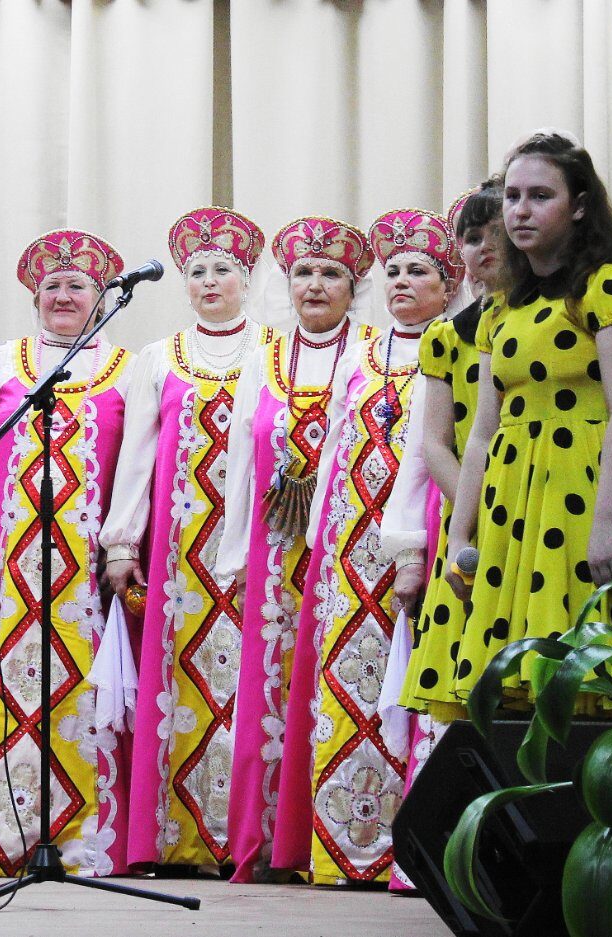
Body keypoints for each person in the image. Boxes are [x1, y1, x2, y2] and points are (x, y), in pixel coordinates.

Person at [275, 209, 461, 886]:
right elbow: (331, 458)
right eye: (395, 271)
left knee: (409, 688)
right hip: (346, 555)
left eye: (421, 271)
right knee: (346, 694)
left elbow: (428, 455)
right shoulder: (361, 352)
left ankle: (406, 848)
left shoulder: (458, 350)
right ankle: (344, 845)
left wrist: (411, 551)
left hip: (424, 542)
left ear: (450, 284)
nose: (404, 281)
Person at [0, 229, 133, 878]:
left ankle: (85, 842)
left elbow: (137, 470)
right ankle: (2, 835)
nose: (62, 294)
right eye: (50, 285)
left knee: (87, 693)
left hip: (89, 570)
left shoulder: (127, 368)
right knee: (6, 692)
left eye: (77, 285)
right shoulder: (1, 362)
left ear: (103, 297)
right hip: (11, 568)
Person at [444, 131, 612, 709]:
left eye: (540, 195)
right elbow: (482, 433)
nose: (520, 210)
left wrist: (608, 520)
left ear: (579, 206)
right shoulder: (502, 307)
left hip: (587, 491)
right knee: (518, 688)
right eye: (512, 196)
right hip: (513, 507)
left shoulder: (609, 286)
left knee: (594, 671)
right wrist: (460, 532)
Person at [103, 207, 274, 871]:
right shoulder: (158, 358)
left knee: (253, 687)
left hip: (253, 550)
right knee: (181, 690)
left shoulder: (272, 352)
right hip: (178, 558)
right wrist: (122, 544)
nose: (210, 281)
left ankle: (248, 834)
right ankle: (178, 837)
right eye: (197, 270)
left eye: (223, 269)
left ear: (246, 277)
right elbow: (137, 456)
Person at [217, 217, 376, 882]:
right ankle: (267, 844)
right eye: (304, 273)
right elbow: (242, 464)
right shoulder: (264, 357)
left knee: (330, 689)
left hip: (344, 551)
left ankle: (332, 841)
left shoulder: (373, 351)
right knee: (269, 694)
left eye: (331, 273)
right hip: (275, 549)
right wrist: (236, 556)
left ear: (352, 286)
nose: (316, 284)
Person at [388, 181, 502, 722]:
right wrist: (481, 512)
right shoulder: (446, 338)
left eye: (498, 233)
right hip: (474, 514)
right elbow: (436, 441)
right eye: (473, 237)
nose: (487, 248)